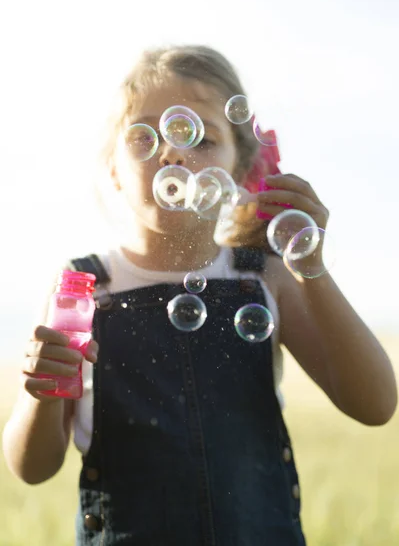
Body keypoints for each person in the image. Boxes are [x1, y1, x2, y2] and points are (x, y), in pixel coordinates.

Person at [2, 45, 397, 546]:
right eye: (146, 138)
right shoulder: (84, 286)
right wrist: (41, 392)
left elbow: (376, 403)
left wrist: (309, 266)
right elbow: (32, 468)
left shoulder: (265, 277)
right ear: (115, 170)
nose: (172, 153)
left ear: (238, 170)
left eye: (202, 138)